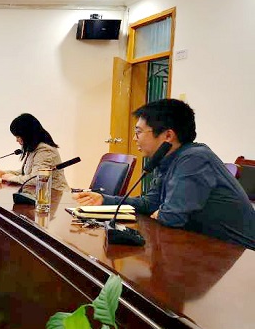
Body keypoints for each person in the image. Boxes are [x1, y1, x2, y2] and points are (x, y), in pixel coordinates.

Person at [75, 99, 255, 248]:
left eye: (138, 132)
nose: (135, 138)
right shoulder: (169, 158)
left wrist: (161, 213)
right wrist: (104, 199)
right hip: (201, 246)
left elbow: (171, 217)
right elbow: (150, 204)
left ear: (168, 136)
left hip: (240, 257)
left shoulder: (194, 158)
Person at [0, 113, 70, 191]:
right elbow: (26, 173)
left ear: (27, 134)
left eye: (18, 136)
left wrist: (11, 178)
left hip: (55, 194)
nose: (16, 140)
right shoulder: (34, 148)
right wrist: (4, 173)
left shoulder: (44, 150)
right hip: (40, 194)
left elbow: (36, 179)